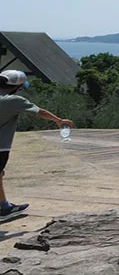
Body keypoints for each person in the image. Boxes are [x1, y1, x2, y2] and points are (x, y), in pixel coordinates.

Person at [0, 70, 74, 220]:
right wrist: (59, 120)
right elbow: (40, 112)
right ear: (17, 87)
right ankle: (4, 208)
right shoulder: (14, 100)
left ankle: (4, 207)